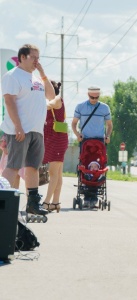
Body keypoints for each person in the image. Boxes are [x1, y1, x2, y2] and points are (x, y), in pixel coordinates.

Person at [1, 44, 55, 216]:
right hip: (19, 130)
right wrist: (18, 126)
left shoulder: (37, 79)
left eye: (38, 58)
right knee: (14, 166)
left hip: (36, 130)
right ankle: (3, 200)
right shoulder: (12, 76)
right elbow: (9, 102)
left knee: (33, 167)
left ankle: (32, 203)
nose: (36, 61)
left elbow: (51, 96)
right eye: (33, 57)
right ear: (22, 57)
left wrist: (43, 74)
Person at [71, 86, 113, 206]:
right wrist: (77, 134)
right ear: (87, 95)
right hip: (85, 140)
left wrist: (108, 136)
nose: (94, 99)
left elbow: (109, 125)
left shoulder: (104, 108)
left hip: (100, 141)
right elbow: (74, 123)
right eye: (91, 97)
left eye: (96, 97)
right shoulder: (80, 106)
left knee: (97, 168)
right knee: (85, 166)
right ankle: (86, 195)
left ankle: (94, 196)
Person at [42, 81, 68, 213]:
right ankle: (55, 202)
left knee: (53, 173)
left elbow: (47, 105)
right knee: (57, 173)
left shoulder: (57, 99)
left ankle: (46, 202)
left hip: (57, 140)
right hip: (54, 139)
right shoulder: (53, 100)